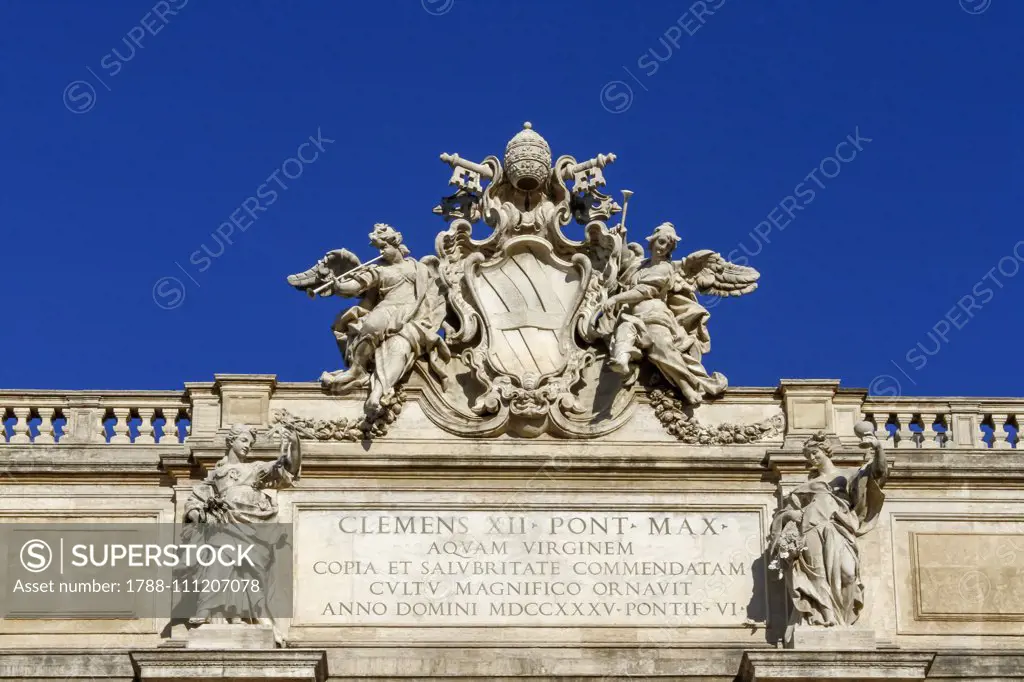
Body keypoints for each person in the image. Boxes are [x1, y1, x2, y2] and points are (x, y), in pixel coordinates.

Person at [182, 423, 300, 642]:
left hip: (253, 524)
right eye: (244, 440)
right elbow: (194, 501)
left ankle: (249, 615)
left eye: (250, 442)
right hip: (224, 523)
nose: (247, 446)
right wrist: (201, 516)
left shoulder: (255, 468)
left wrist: (294, 443)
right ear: (231, 441)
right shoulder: (216, 474)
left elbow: (287, 468)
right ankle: (210, 609)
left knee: (251, 571)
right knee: (220, 561)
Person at [319, 224, 447, 416]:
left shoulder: (418, 267)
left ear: (395, 243)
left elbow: (435, 291)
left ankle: (379, 392)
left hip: (411, 314)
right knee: (371, 325)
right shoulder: (378, 270)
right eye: (378, 247)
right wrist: (337, 285)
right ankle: (357, 369)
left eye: (383, 246)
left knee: (399, 348)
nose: (381, 251)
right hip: (387, 309)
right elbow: (354, 287)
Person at [768, 430, 888, 627]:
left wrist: (878, 448)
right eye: (808, 456)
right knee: (818, 576)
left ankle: (845, 620)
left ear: (826, 451)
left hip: (837, 529)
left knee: (848, 574)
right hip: (811, 529)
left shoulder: (847, 476)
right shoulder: (806, 486)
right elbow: (785, 515)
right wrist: (791, 516)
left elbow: (878, 474)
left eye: (815, 453)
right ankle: (827, 617)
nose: (813, 458)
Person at [601, 222, 727, 405]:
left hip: (654, 314)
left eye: (668, 246)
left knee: (661, 349)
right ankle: (621, 360)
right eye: (661, 242)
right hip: (632, 315)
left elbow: (646, 290)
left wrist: (615, 299)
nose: (663, 248)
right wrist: (622, 236)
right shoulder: (640, 265)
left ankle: (687, 387)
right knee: (624, 330)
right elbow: (625, 260)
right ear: (652, 242)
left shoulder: (666, 268)